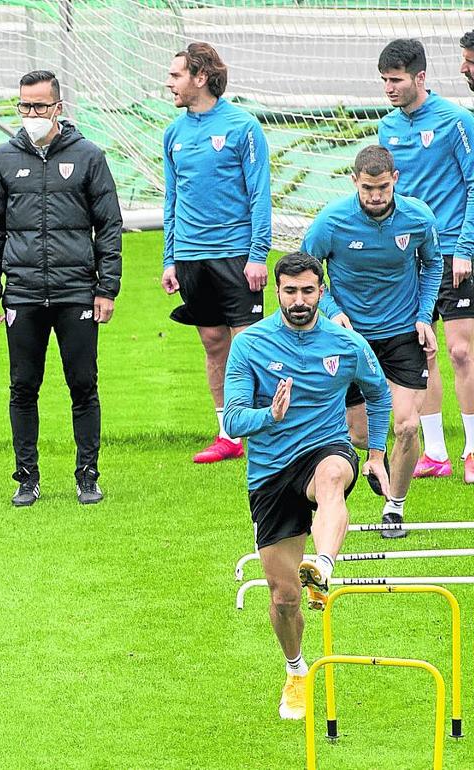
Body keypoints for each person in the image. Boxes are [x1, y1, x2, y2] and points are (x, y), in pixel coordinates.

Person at [223, 252, 390, 721]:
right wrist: (268, 415)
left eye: (308, 291)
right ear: (277, 292)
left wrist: (375, 454)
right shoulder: (250, 344)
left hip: (325, 449)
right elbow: (233, 419)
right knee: (283, 598)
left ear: (322, 291)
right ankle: (296, 670)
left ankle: (323, 564)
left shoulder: (345, 342)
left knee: (333, 477)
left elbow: (377, 393)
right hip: (270, 472)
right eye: (290, 291)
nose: (299, 300)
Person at [0, 69, 123, 506]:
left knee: (83, 385)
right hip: (20, 292)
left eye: (39, 106)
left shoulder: (89, 156)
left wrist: (107, 288)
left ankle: (88, 475)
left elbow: (109, 226)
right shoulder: (2, 159)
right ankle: (26, 477)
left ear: (59, 107)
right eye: (24, 106)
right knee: (23, 387)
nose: (31, 114)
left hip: (77, 291)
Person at [301, 145, 441, 538]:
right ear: (354, 183)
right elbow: (305, 274)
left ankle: (394, 507)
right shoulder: (330, 222)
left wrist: (423, 315)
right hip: (350, 338)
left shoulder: (418, 217)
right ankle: (373, 460)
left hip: (401, 334)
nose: (375, 196)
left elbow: (433, 263)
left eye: (382, 188)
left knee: (407, 426)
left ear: (395, 180)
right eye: (367, 189)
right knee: (362, 435)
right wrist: (331, 311)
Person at [162, 42, 272, 464]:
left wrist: (258, 254)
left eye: (176, 75)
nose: (169, 82)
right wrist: (169, 259)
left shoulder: (243, 127)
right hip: (191, 257)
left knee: (249, 346)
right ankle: (228, 435)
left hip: (236, 255)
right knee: (212, 343)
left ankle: (262, 429)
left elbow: (260, 194)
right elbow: (172, 199)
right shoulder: (173, 133)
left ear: (200, 77)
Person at [377, 38, 474, 483]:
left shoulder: (457, 121)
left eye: (395, 80)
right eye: (384, 81)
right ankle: (435, 452)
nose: (389, 89)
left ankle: (473, 448)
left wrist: (466, 248)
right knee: (424, 351)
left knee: (460, 352)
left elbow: (473, 185)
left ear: (419, 77)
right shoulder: (387, 129)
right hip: (411, 257)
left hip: (454, 252)